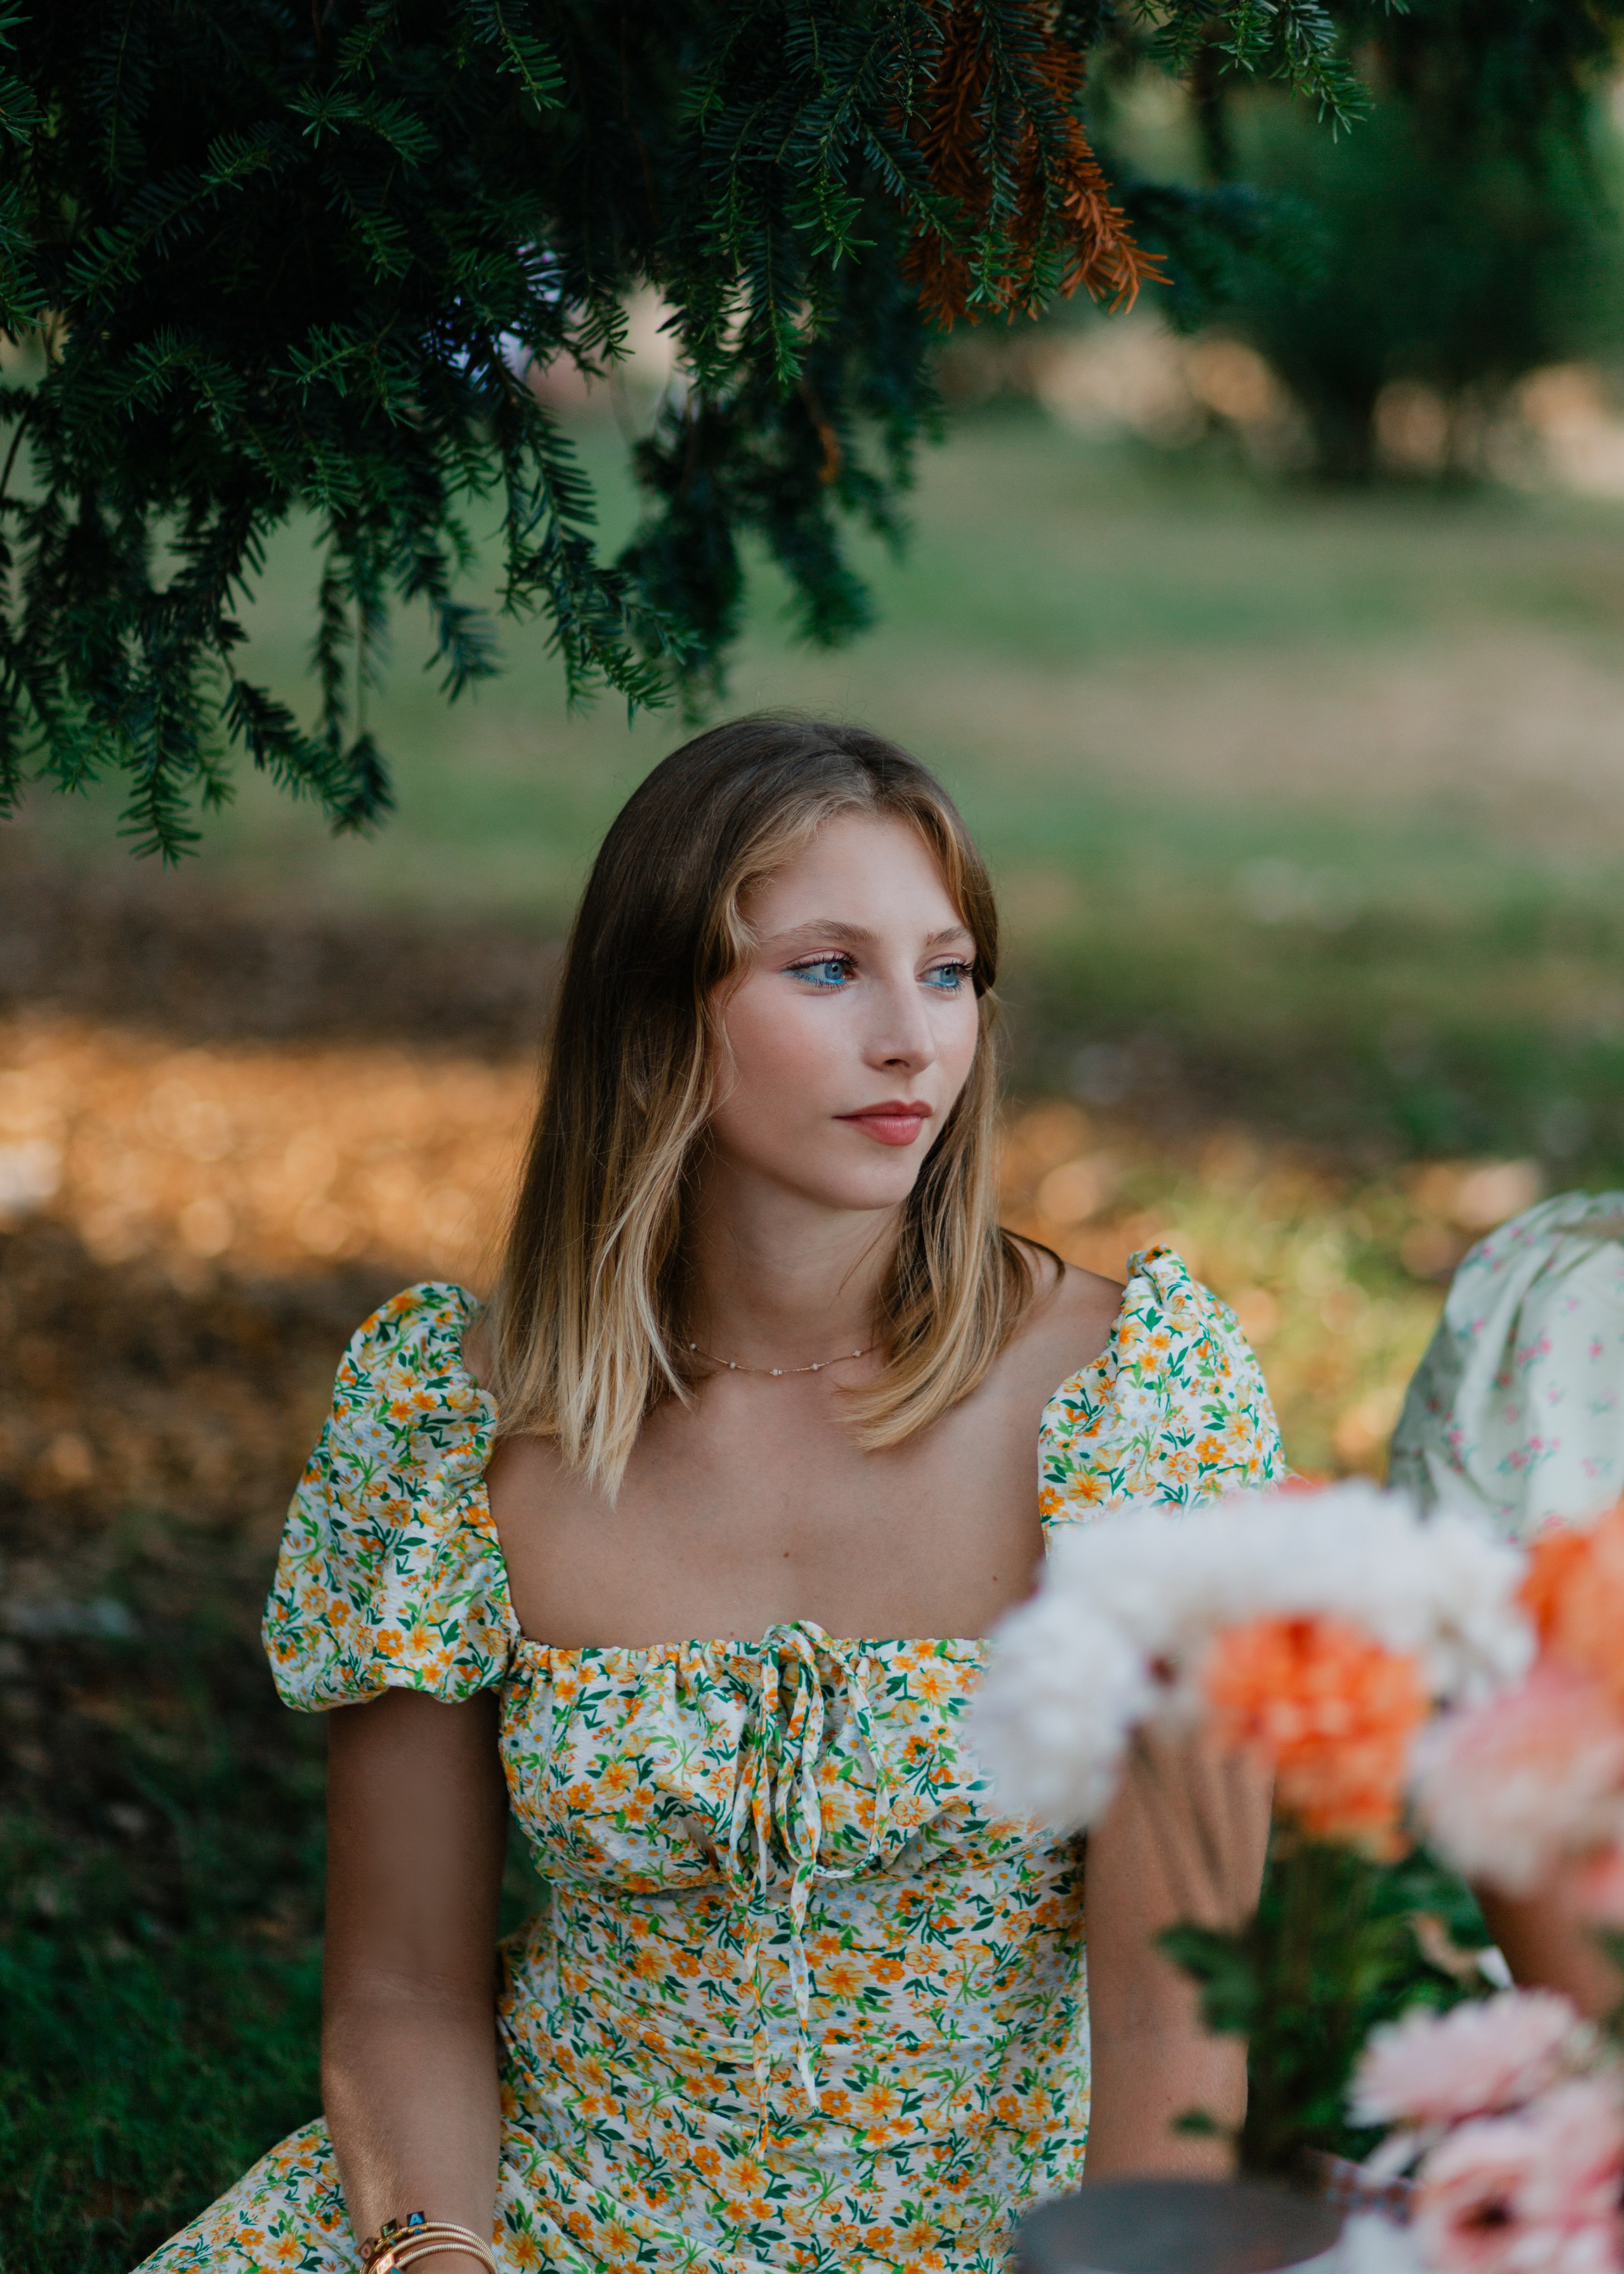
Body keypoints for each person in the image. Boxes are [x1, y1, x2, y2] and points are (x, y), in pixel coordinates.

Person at [140, 716, 1283, 2274]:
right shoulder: (448, 1422)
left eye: (946, 971)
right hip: (541, 2214)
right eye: (828, 970)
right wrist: (435, 2248)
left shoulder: (1127, 1403)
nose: (912, 1040)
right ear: (655, 1017)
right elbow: (404, 1985)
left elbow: (1174, 2004)